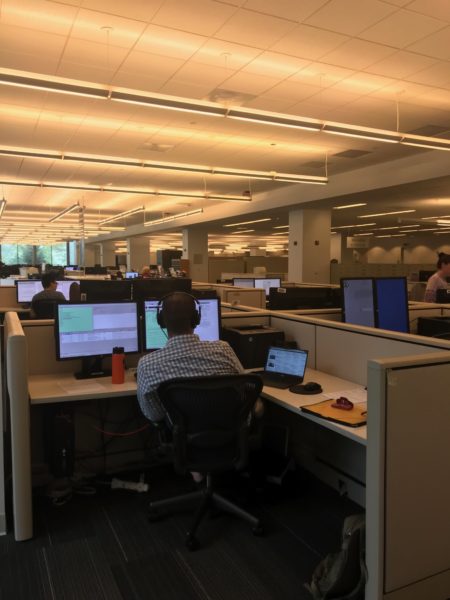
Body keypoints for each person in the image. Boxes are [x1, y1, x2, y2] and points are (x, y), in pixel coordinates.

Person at [137, 291, 245, 424]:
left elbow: (154, 415)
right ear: (196, 319)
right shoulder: (224, 350)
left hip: (182, 437)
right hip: (229, 431)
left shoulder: (147, 365)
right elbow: (246, 386)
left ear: (161, 321)